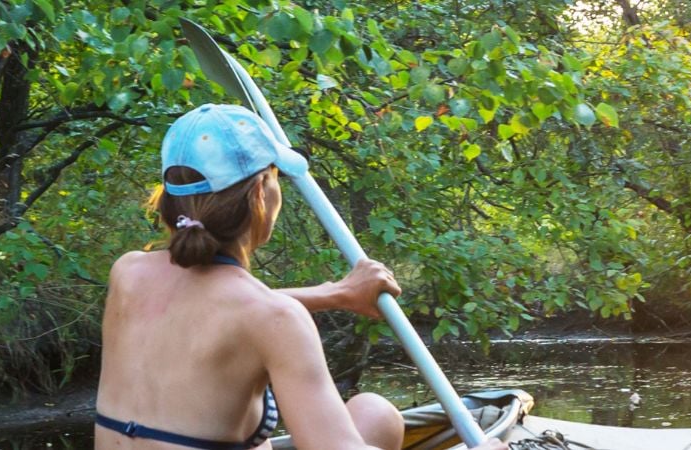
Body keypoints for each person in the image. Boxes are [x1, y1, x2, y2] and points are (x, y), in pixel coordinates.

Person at [94, 104, 507, 450]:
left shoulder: (127, 273)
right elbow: (248, 315)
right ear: (260, 192)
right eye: (276, 177)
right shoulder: (273, 320)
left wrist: (334, 294)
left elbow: (212, 311)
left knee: (373, 413)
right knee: (376, 416)